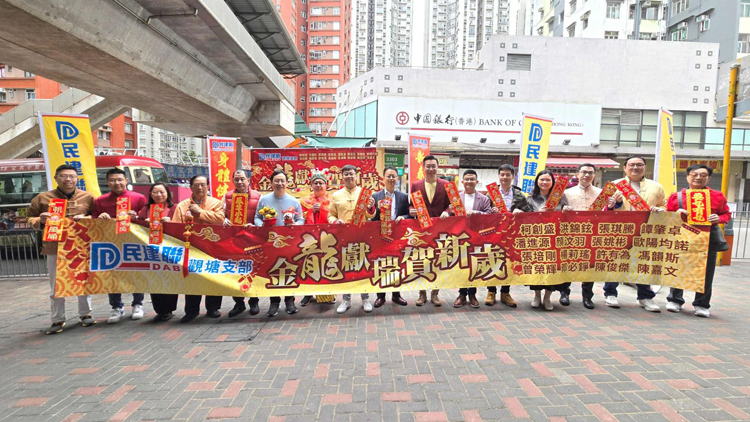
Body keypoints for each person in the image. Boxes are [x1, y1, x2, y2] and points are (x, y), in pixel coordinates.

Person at [27, 164, 95, 335]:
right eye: (64, 176)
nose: (68, 179)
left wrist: (86, 217)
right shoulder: (42, 198)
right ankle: (57, 318)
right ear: (56, 178)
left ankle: (85, 314)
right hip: (54, 246)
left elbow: (96, 216)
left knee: (83, 280)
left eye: (72, 176)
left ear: (77, 179)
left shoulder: (87, 197)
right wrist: (40, 220)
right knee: (56, 283)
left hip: (81, 245)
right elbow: (29, 218)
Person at [666, 164, 731, 318]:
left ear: (708, 178)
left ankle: (701, 304)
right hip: (682, 238)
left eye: (703, 175)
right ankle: (675, 300)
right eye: (694, 174)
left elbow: (726, 214)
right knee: (677, 268)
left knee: (707, 272)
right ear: (688, 176)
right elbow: (668, 216)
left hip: (707, 240)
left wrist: (718, 218)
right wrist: (677, 213)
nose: (698, 177)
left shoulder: (717, 196)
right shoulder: (676, 196)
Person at [603, 156, 665, 313]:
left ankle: (645, 297)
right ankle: (610, 293)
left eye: (639, 164)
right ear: (625, 168)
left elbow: (663, 206)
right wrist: (611, 205)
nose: (635, 167)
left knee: (644, 264)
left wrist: (660, 210)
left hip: (645, 232)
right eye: (631, 165)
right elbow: (603, 209)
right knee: (616, 262)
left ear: (645, 167)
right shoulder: (614, 185)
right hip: (619, 231)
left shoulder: (656, 187)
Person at [561, 163, 622, 310]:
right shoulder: (567, 193)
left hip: (593, 234)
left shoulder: (603, 193)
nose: (586, 175)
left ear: (594, 175)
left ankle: (587, 296)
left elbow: (608, 214)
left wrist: (613, 205)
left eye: (590, 173)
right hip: (572, 233)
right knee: (567, 263)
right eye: (583, 172)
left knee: (590, 265)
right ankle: (564, 293)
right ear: (577, 174)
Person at [92, 168, 148, 324]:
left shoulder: (139, 198)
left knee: (137, 272)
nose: (116, 183)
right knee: (113, 274)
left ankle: (138, 304)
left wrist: (136, 216)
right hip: (111, 243)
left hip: (133, 242)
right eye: (112, 180)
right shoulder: (100, 201)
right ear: (107, 182)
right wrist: (100, 218)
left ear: (126, 181)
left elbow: (145, 218)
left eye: (119, 180)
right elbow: (93, 220)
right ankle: (116, 307)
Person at [173, 175, 225, 322]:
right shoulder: (182, 205)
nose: (200, 188)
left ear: (208, 186)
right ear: (191, 187)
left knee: (213, 275)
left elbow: (220, 219)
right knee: (192, 278)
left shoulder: (216, 203)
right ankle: (191, 310)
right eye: (196, 185)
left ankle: (213, 308)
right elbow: (175, 226)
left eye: (203, 184)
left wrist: (199, 212)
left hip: (212, 246)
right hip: (191, 247)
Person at [254, 169, 305, 317]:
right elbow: (257, 217)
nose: (280, 183)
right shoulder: (264, 199)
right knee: (272, 270)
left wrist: (294, 225)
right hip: (270, 241)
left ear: (287, 183)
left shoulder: (294, 201)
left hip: (288, 243)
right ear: (271, 183)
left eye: (282, 181)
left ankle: (290, 301)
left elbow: (301, 219)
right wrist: (261, 226)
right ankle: (274, 302)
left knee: (288, 270)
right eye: (276, 181)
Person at [329, 164, 376, 314]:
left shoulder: (365, 193)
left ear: (356, 176)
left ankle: (365, 298)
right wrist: (336, 222)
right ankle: (346, 300)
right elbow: (331, 215)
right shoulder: (336, 195)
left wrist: (370, 208)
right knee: (346, 268)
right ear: (342, 177)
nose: (349, 176)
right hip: (344, 237)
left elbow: (370, 216)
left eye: (351, 174)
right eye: (346, 174)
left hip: (362, 236)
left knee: (364, 266)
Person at [485, 164, 531, 308]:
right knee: (493, 261)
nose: (505, 177)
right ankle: (491, 291)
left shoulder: (520, 195)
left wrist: (520, 212)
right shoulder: (490, 194)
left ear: (513, 177)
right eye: (502, 174)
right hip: (494, 233)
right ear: (499, 176)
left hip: (512, 234)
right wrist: (490, 211)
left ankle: (506, 292)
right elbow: (483, 213)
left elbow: (528, 214)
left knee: (509, 263)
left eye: (508, 175)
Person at [409, 155, 451, 307]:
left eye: (434, 166)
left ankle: (435, 293)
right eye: (428, 166)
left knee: (438, 262)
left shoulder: (446, 184)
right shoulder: (416, 185)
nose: (431, 169)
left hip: (441, 230)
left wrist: (448, 211)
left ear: (437, 168)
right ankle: (422, 293)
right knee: (422, 261)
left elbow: (452, 204)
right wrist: (412, 211)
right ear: (423, 167)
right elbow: (410, 205)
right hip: (422, 230)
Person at [134, 183, 177, 321]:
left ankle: (169, 309)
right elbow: (137, 224)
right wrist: (142, 221)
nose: (159, 195)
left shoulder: (174, 208)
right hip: (151, 249)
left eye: (162, 192)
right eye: (155, 192)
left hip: (169, 248)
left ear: (167, 194)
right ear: (150, 194)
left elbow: (181, 223)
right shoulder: (145, 209)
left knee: (170, 277)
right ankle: (159, 310)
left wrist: (170, 221)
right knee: (155, 279)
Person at [223, 170, 263, 318]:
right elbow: (222, 214)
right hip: (232, 239)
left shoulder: (258, 197)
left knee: (252, 270)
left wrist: (254, 224)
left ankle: (254, 301)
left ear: (248, 180)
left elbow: (261, 215)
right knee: (235, 271)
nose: (240, 182)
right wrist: (224, 220)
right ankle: (238, 302)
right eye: (236, 179)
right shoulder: (227, 196)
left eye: (242, 179)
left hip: (251, 239)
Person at [525, 170, 566, 311]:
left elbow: (566, 213)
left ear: (552, 182)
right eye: (542, 179)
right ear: (537, 181)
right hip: (537, 238)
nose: (544, 182)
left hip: (555, 238)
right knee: (538, 267)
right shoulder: (530, 198)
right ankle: (537, 296)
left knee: (552, 268)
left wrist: (566, 209)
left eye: (548, 180)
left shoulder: (560, 197)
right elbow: (526, 217)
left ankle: (547, 297)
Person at [371, 166, 410, 308]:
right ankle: (380, 296)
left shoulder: (403, 197)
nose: (391, 179)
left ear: (397, 179)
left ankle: (396, 295)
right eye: (388, 176)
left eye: (394, 176)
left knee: (397, 265)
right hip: (380, 236)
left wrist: (403, 217)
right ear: (383, 178)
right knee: (380, 265)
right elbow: (372, 217)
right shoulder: (375, 196)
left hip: (397, 236)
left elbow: (409, 214)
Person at [453, 169, 492, 308]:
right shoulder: (456, 197)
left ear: (477, 182)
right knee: (462, 265)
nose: (469, 182)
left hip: (477, 237)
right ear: (462, 182)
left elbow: (488, 215)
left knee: (474, 265)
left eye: (472, 179)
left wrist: (476, 213)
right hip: (460, 237)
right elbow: (449, 210)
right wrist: (446, 213)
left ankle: (472, 294)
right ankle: (462, 294)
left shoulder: (484, 198)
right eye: (466, 179)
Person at [300, 170, 336, 306]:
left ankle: (328, 295)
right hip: (309, 239)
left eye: (321, 183)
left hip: (327, 238)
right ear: (311, 185)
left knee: (327, 265)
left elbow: (333, 216)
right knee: (308, 265)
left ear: (326, 185)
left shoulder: (332, 200)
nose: (318, 185)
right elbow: (299, 217)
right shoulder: (304, 201)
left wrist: (322, 210)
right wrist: (311, 211)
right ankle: (308, 294)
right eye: (315, 183)